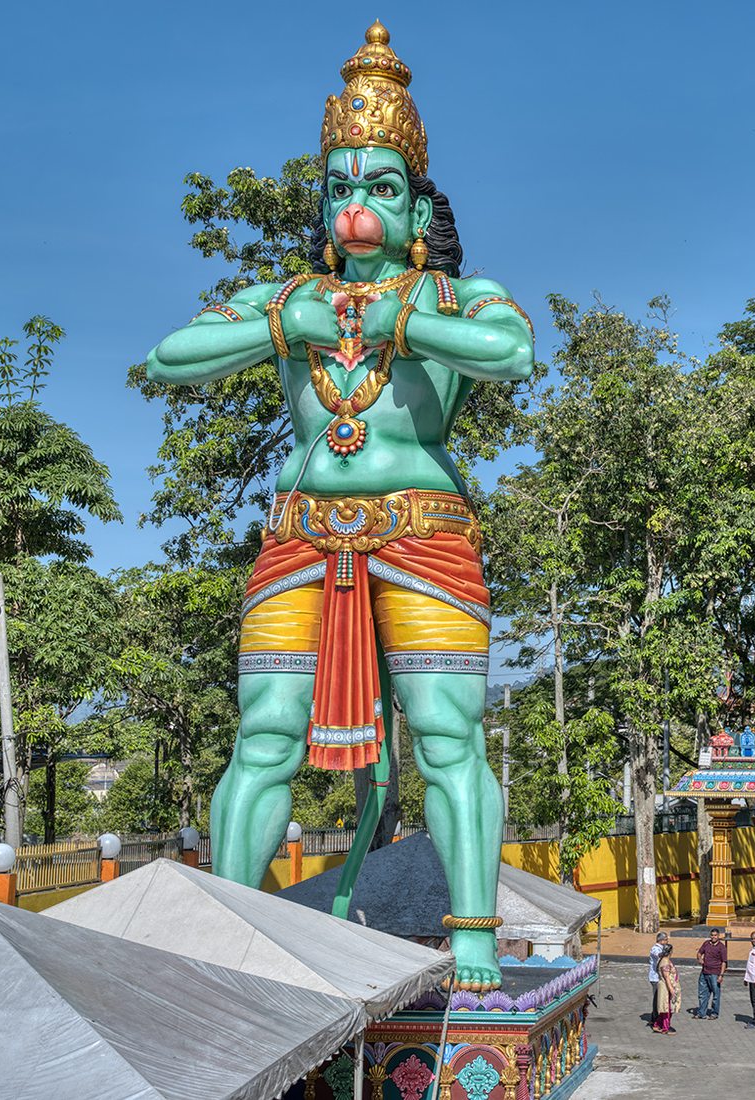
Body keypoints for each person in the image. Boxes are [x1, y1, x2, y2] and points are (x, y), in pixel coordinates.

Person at [146, 21, 536, 995]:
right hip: (299, 534)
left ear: (415, 209)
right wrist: (287, 317)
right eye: (343, 187)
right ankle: (232, 930)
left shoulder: (459, 294)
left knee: (447, 737)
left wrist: (408, 318)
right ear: (327, 206)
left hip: (423, 531)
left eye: (382, 188)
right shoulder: (292, 304)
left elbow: (514, 353)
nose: (359, 206)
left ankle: (475, 932)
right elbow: (168, 356)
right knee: (264, 736)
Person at [695, 928, 727, 1020]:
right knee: (702, 994)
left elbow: (724, 962)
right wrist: (700, 958)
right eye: (712, 935)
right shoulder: (706, 944)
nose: (713, 937)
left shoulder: (721, 947)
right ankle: (701, 1013)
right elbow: (699, 953)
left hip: (715, 974)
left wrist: (721, 975)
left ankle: (714, 1013)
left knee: (716, 995)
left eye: (715, 935)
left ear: (718, 936)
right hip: (704, 972)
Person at [653, 944, 681, 1034]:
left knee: (667, 1007)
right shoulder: (665, 961)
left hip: (667, 985)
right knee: (666, 1007)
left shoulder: (665, 960)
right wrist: (671, 989)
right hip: (665, 987)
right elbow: (667, 977)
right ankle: (665, 1027)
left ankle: (658, 1024)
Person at [647, 932, 668, 1028]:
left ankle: (653, 1018)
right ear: (661, 940)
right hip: (655, 978)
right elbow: (658, 955)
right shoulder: (655, 948)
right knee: (656, 999)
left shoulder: (662, 948)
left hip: (660, 977)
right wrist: (665, 953)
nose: (667, 941)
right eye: (666, 939)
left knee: (659, 998)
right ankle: (655, 1020)